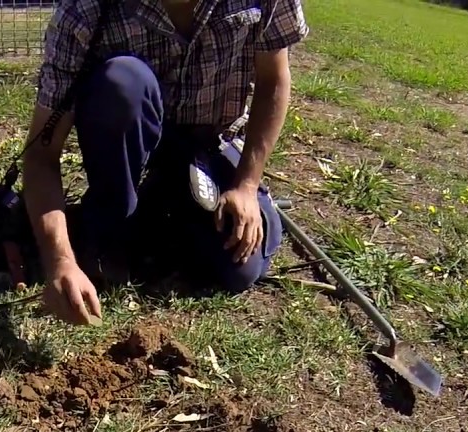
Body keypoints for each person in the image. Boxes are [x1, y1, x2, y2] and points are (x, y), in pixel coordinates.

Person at [22, 0, 309, 325]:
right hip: (132, 145)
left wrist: (246, 184)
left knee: (239, 267)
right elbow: (41, 154)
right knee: (122, 81)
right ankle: (112, 221)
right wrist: (60, 261)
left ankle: (166, 205)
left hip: (211, 142)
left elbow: (274, 78)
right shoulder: (85, 10)